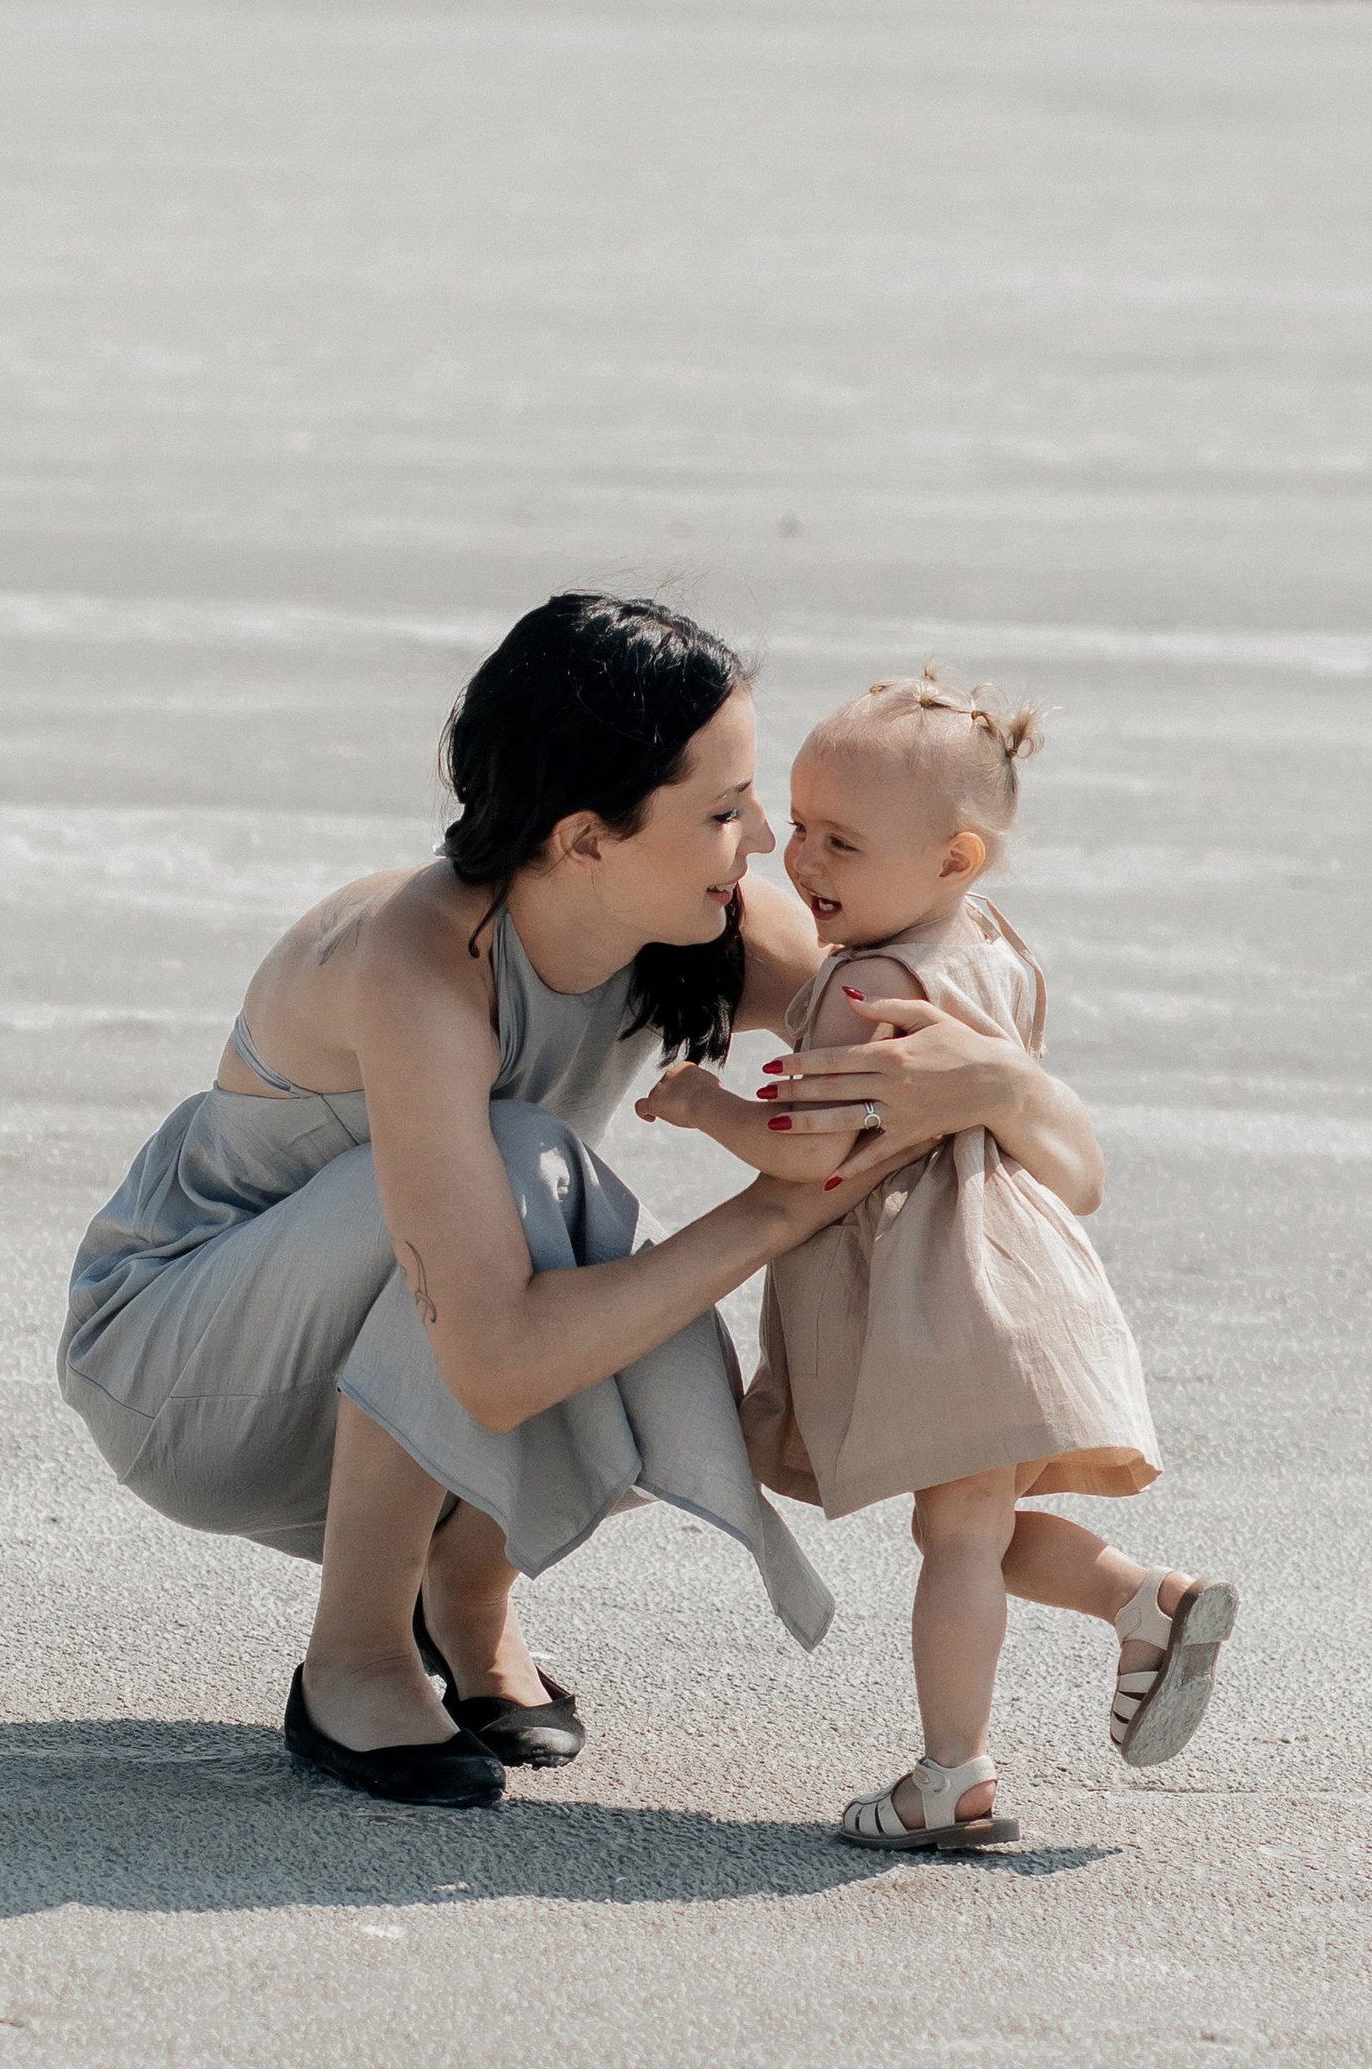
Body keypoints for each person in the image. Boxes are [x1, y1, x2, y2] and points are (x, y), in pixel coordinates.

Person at [57, 594, 1108, 1807]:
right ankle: (354, 1654)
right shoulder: (414, 960)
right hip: (182, 1367)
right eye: (724, 810)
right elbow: (499, 1359)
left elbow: (1068, 1170)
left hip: (390, 1360)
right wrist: (775, 1212)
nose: (765, 839)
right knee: (540, 1182)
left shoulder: (703, 916)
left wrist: (1001, 1080)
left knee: (621, 1284)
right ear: (584, 839)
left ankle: (466, 1599)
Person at [633, 672, 1238, 1851]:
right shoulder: (996, 950)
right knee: (968, 1521)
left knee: (957, 1537)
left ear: (952, 858)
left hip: (938, 1289)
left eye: (840, 841)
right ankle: (1147, 1604)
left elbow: (809, 1153)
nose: (799, 860)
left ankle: (950, 1774)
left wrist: (708, 1103)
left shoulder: (862, 984)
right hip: (1019, 1272)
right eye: (798, 825)